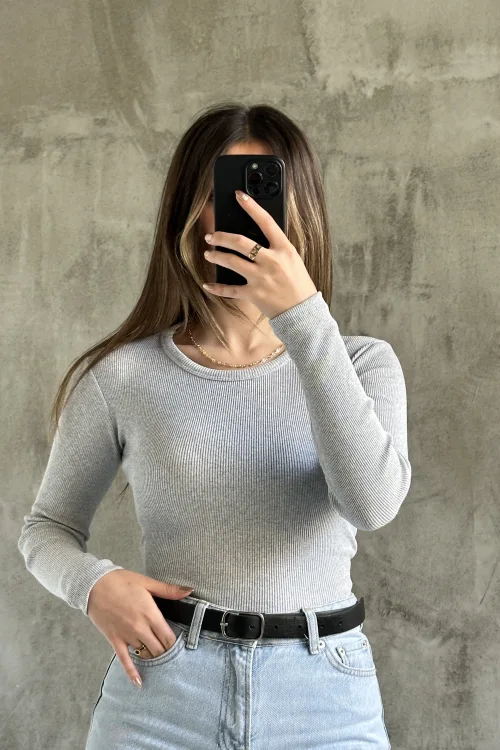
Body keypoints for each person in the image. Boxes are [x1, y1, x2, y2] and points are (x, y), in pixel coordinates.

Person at [18, 102, 411, 749]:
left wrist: (303, 317)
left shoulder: (362, 364)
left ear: (301, 211)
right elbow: (46, 529)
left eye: (263, 194)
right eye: (223, 195)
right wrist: (93, 585)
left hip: (324, 699)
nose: (243, 218)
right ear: (188, 212)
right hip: (164, 695)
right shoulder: (123, 374)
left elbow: (370, 504)